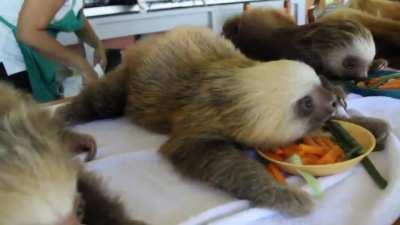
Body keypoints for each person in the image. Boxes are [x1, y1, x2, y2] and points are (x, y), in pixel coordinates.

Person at [0, 0, 107, 102]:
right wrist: (83, 66)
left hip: (22, 46)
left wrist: (96, 44)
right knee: (19, 114)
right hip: (8, 55)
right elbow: (27, 34)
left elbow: (72, 11)